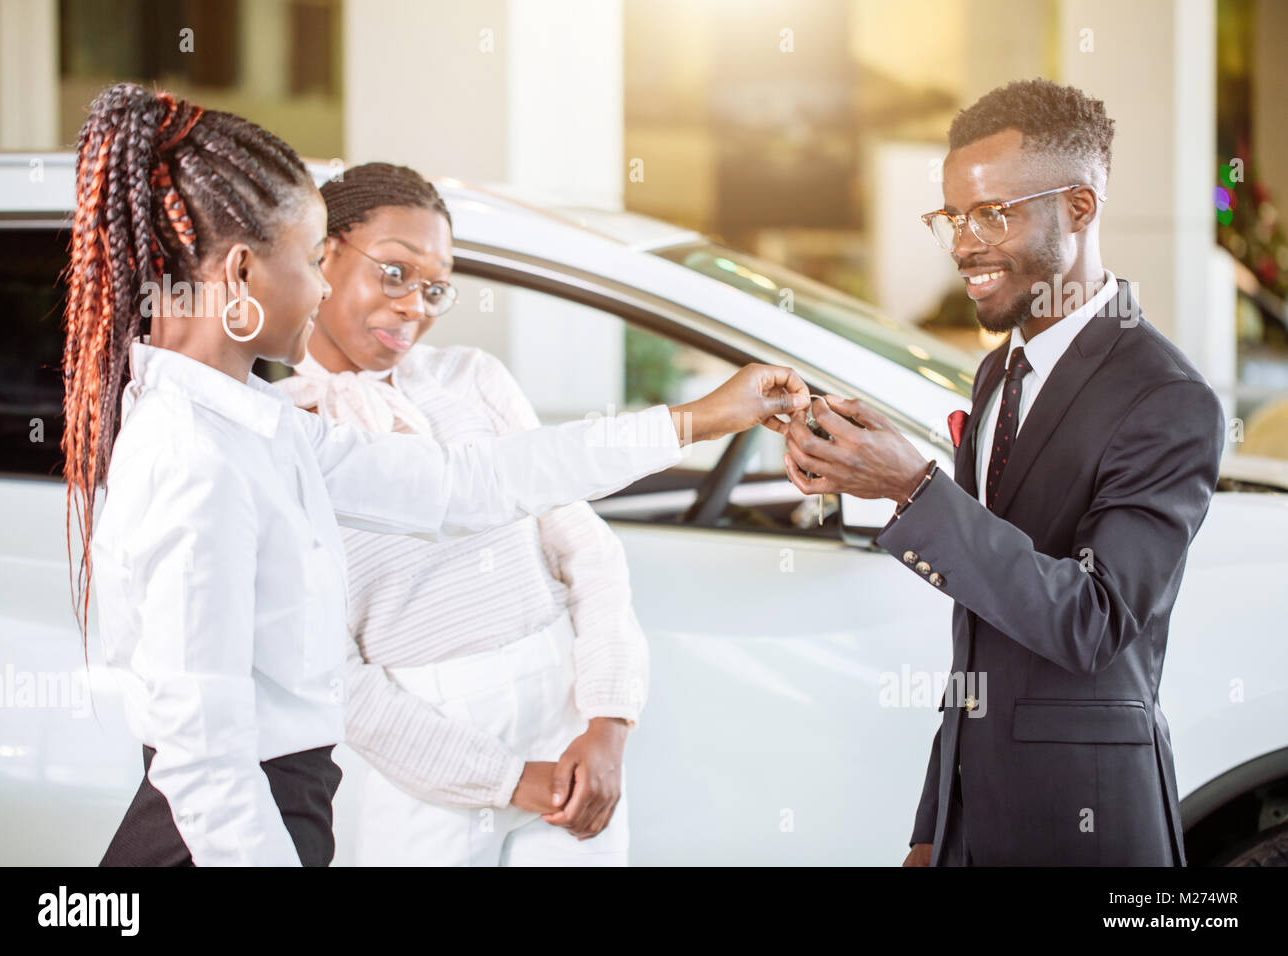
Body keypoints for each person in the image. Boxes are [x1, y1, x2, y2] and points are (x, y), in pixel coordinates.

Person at [64, 84, 810, 866]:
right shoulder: (196, 458)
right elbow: (205, 763)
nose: (320, 290)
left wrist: (698, 418)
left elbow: (466, 484)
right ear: (244, 272)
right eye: (313, 263)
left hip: (287, 800)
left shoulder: (256, 428)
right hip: (242, 820)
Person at [773, 79, 1223, 866]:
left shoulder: (1167, 398)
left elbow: (1091, 621)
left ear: (1080, 207)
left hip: (1085, 821)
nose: (963, 243)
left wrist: (912, 490)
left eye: (993, 213)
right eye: (953, 216)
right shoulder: (996, 377)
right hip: (969, 821)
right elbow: (982, 634)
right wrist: (933, 823)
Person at [272, 163, 656, 865]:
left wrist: (608, 721)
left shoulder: (470, 379)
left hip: (566, 727)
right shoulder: (282, 432)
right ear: (322, 255)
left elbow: (585, 548)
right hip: (429, 764)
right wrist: (508, 779)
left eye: (435, 287)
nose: (415, 305)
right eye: (394, 273)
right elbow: (334, 671)